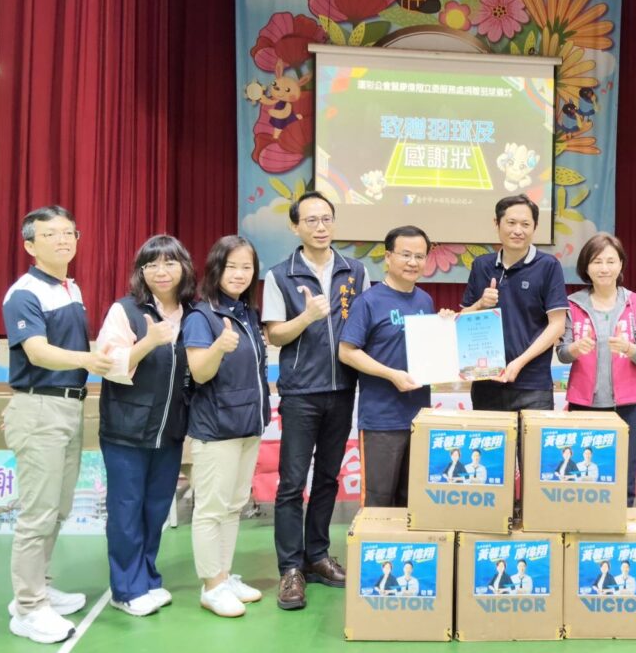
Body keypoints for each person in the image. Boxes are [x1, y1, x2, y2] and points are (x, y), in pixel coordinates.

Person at [2, 206, 113, 644]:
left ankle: (40, 586)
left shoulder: (70, 286)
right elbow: (37, 351)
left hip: (68, 407)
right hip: (39, 409)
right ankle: (28, 608)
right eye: (51, 235)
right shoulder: (24, 293)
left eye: (69, 232)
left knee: (59, 508)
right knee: (38, 514)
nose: (63, 240)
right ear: (30, 245)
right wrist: (90, 359)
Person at [262, 192, 369, 609]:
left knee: (327, 478)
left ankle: (318, 556)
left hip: (342, 390)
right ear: (295, 227)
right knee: (292, 483)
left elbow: (367, 324)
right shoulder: (280, 275)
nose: (320, 227)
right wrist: (307, 317)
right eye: (311, 220)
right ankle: (291, 568)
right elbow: (275, 334)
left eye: (326, 219)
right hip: (300, 392)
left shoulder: (355, 271)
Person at [96, 235, 196, 617]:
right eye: (151, 264)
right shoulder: (125, 311)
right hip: (126, 431)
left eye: (169, 262)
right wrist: (149, 341)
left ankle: (148, 578)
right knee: (126, 511)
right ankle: (125, 589)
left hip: (169, 432)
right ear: (141, 271)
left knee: (156, 510)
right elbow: (109, 365)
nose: (161, 271)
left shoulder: (193, 314)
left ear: (183, 267)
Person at [183, 236, 270, 618]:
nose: (239, 274)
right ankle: (211, 586)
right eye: (231, 266)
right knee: (211, 509)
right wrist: (219, 346)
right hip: (216, 429)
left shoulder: (247, 313)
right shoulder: (202, 316)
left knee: (234, 506)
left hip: (247, 425)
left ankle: (223, 575)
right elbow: (200, 372)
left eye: (246, 267)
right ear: (215, 269)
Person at [340, 226, 448, 507]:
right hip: (382, 420)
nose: (413, 262)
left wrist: (446, 329)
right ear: (388, 257)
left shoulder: (425, 299)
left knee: (411, 501)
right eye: (405, 255)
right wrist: (391, 375)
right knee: (378, 502)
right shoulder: (368, 301)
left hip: (419, 417)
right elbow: (347, 352)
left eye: (420, 256)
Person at [556, 233, 636, 505]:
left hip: (627, 406)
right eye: (597, 261)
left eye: (611, 261)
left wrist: (628, 348)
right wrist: (574, 349)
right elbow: (562, 354)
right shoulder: (572, 304)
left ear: (621, 264)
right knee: (585, 477)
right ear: (586, 267)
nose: (604, 268)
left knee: (624, 477)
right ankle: (585, 527)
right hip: (584, 405)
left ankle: (621, 525)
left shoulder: (635, 302)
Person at [461, 195, 568, 411]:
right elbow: (463, 320)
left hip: (533, 386)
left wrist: (519, 363)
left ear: (535, 227)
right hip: (486, 382)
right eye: (511, 223)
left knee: (531, 436)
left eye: (525, 224)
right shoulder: (481, 265)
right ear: (497, 223)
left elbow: (557, 325)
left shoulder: (548, 266)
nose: (518, 230)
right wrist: (480, 304)